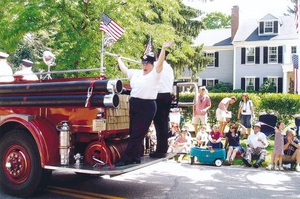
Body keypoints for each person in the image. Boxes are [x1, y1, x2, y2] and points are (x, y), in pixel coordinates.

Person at [114, 41, 174, 166]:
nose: (145, 66)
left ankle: (126, 158)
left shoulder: (155, 74)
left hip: (147, 106)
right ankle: (135, 157)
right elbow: (125, 70)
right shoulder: (136, 73)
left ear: (153, 65)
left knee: (137, 133)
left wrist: (163, 49)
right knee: (133, 132)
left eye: (148, 64)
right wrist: (118, 60)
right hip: (134, 103)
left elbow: (160, 64)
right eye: (143, 63)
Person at [151, 49, 174, 158]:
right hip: (167, 95)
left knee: (159, 123)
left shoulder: (155, 65)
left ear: (157, 56)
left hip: (159, 95)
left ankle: (160, 150)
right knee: (164, 123)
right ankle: (163, 148)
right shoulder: (169, 67)